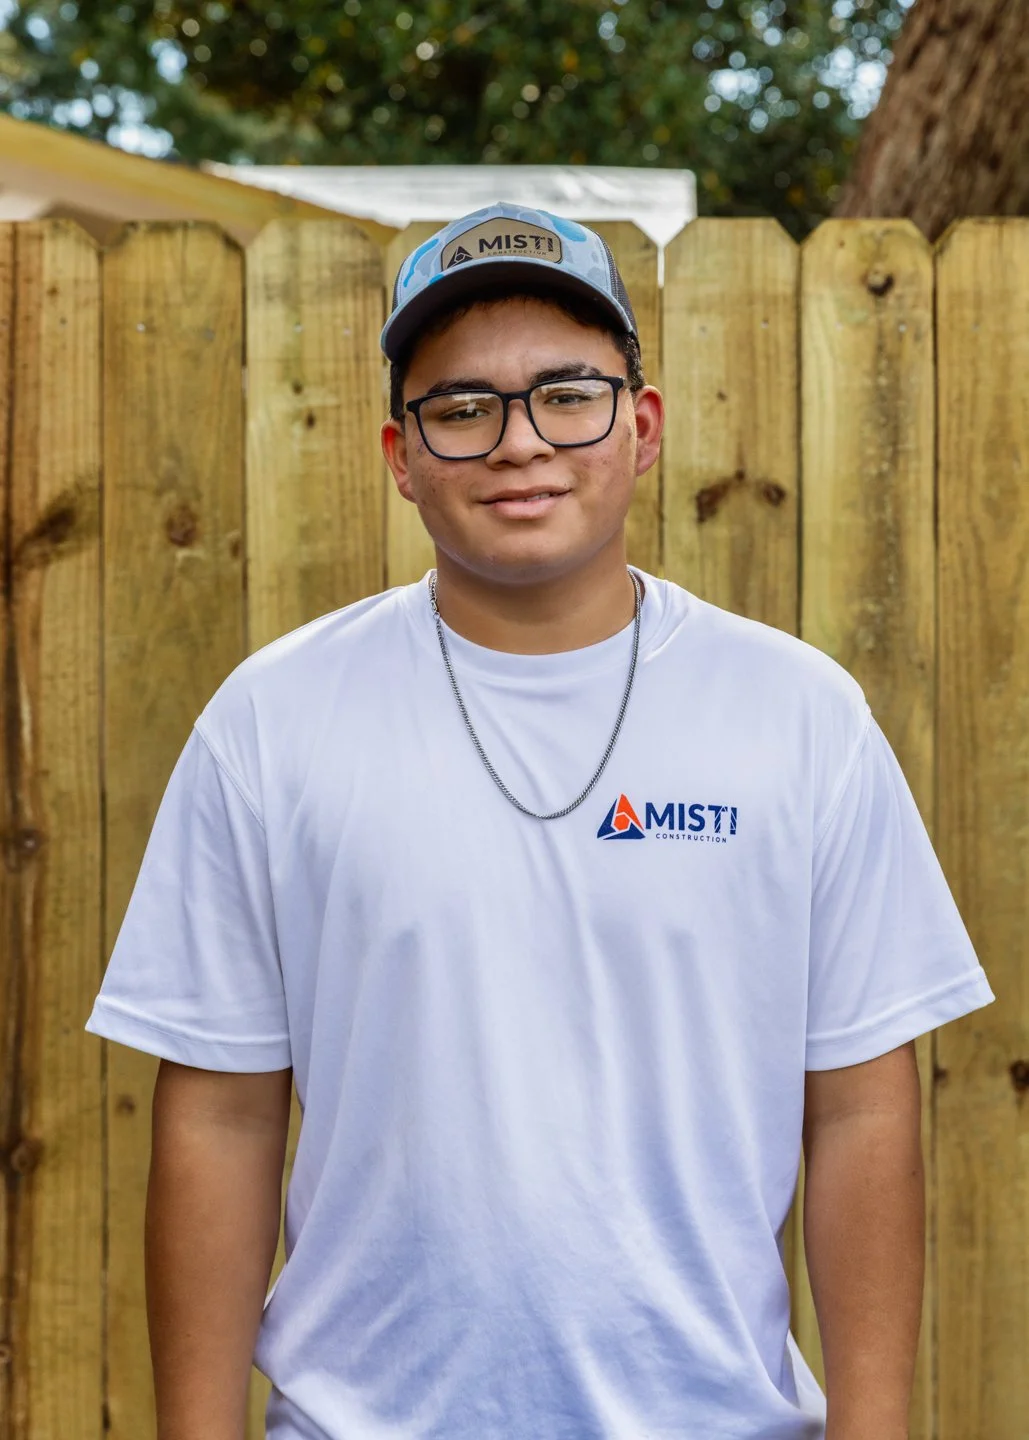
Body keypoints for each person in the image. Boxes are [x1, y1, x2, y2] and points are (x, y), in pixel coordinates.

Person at [85, 202, 995, 1440]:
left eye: (567, 393)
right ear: (402, 456)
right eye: (462, 408)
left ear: (643, 424)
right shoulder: (272, 724)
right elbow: (222, 1112)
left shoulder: (796, 717)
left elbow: (860, 1105)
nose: (519, 443)